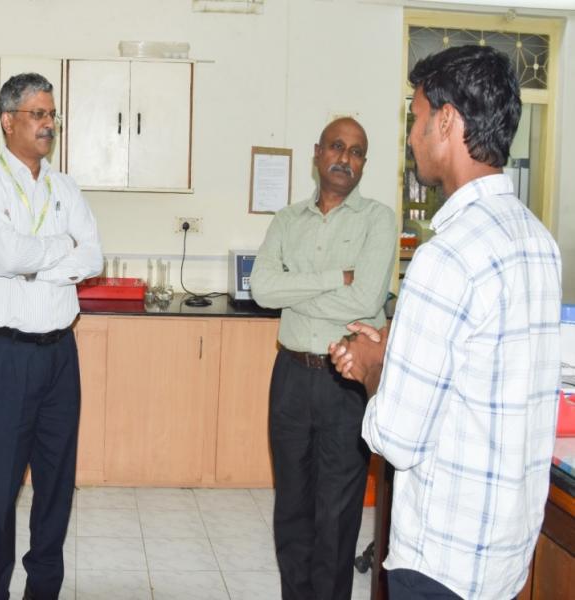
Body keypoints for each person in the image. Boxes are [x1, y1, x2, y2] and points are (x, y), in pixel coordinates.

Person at [329, 45, 561, 600]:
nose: (410, 136)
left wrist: (373, 366)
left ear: (447, 121)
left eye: (415, 116)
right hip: (504, 551)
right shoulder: (538, 243)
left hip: (443, 559)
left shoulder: (446, 256)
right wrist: (406, 347)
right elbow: (486, 368)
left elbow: (399, 437)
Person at [0, 73, 102, 600]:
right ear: (7, 121)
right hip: (5, 355)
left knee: (56, 485)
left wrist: (35, 263)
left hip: (60, 355)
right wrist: (55, 252)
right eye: (37, 115)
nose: (48, 125)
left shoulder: (66, 187)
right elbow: (5, 255)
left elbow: (92, 257)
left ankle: (43, 590)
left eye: (51, 115)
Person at [249, 117, 396, 600]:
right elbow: (263, 289)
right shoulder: (287, 220)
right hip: (290, 375)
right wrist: (338, 277)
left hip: (345, 384)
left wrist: (296, 290)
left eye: (356, 152)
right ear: (317, 153)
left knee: (336, 514)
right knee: (291, 508)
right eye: (337, 147)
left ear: (363, 164)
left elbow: (366, 298)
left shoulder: (378, 218)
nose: (345, 159)